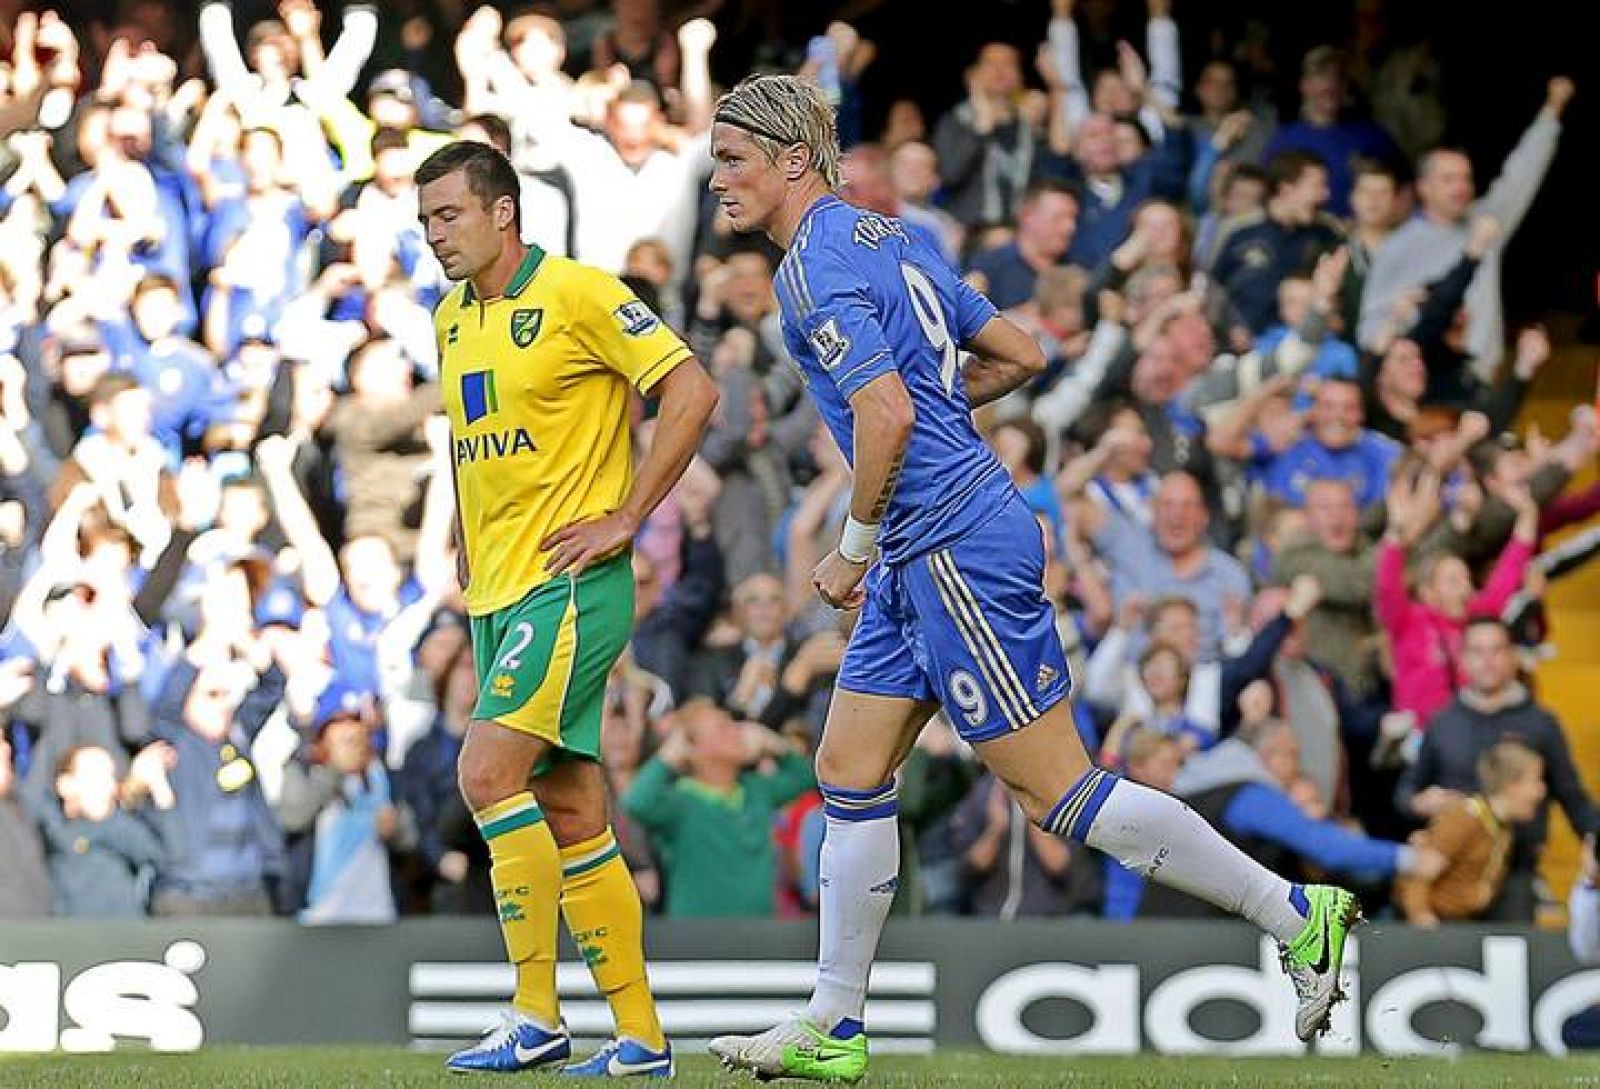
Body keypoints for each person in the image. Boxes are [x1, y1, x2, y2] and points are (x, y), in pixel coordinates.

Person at [704, 74, 1360, 1083]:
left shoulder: (808, 268)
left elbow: (887, 418)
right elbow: (1026, 349)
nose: (719, 182)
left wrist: (849, 539)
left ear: (794, 159)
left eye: (733, 160)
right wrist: (930, 403)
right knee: (847, 767)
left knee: (1057, 793)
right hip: (928, 544)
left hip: (950, 543)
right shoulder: (890, 236)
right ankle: (834, 1022)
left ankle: (1294, 912)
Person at [416, 141, 718, 1076]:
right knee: (573, 807)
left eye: (448, 216)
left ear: (502, 212)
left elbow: (692, 389)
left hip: (572, 583)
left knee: (487, 771)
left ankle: (535, 1012)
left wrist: (628, 516)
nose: (434, 238)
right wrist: (468, 534)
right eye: (425, 222)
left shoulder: (583, 294)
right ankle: (640, 1038)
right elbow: (476, 439)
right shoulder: (451, 319)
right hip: (498, 589)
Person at [1394, 739, 1544, 927]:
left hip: (1468, 923)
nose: (1541, 791)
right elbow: (1420, 875)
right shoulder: (1464, 819)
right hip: (1441, 926)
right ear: (1511, 785)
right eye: (1536, 780)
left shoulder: (1501, 826)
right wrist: (1423, 920)